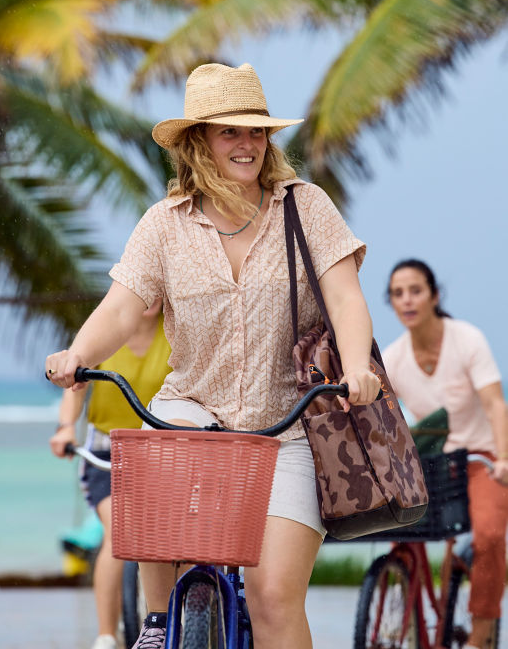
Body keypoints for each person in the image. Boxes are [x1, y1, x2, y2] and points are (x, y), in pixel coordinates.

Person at [46, 61, 380, 649]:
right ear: (199, 141)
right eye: (230, 131)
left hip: (290, 425)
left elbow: (345, 297)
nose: (247, 143)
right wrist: (76, 355)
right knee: (153, 467)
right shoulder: (164, 225)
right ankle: (156, 623)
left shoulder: (305, 207)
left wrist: (356, 367)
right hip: (194, 407)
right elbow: (122, 308)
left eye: (256, 131)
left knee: (273, 599)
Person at [383, 259, 508, 649]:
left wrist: (504, 458)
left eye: (415, 291)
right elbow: (383, 421)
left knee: (490, 537)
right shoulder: (393, 358)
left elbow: (495, 404)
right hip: (433, 465)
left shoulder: (466, 340)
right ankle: (404, 615)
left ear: (434, 295)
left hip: (479, 458)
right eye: (398, 294)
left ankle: (480, 635)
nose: (407, 300)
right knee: (400, 532)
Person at [50, 300, 171, 649]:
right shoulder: (106, 331)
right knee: (119, 533)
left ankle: (174, 619)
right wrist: (65, 427)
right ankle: (106, 635)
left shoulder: (174, 332)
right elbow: (75, 383)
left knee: (169, 535)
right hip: (108, 451)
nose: (149, 298)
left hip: (163, 452)